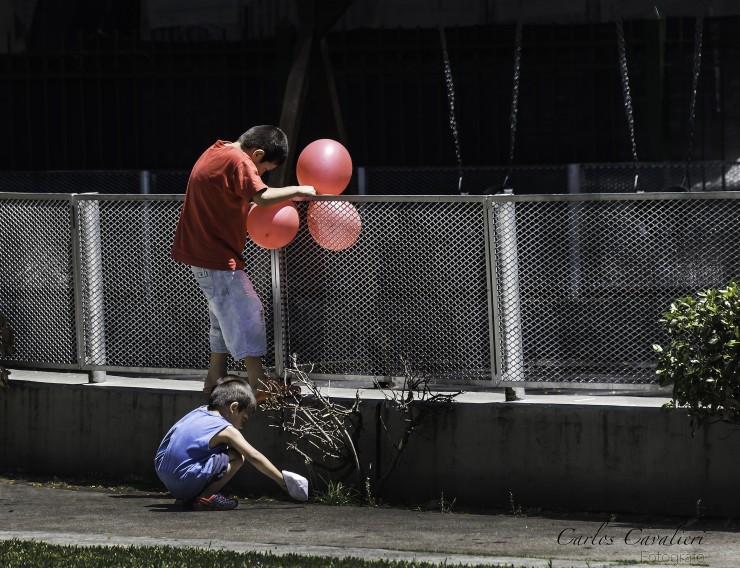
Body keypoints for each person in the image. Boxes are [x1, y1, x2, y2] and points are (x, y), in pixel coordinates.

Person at [171, 125, 316, 401]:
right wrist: (299, 190)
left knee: (223, 318)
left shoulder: (217, 150)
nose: (262, 176)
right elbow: (260, 196)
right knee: (246, 312)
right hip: (215, 257)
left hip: (201, 253)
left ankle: (213, 378)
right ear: (257, 153)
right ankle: (259, 384)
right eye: (265, 170)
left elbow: (227, 197)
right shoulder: (240, 160)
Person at [154, 376, 290, 510]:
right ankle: (205, 498)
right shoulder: (227, 430)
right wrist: (283, 481)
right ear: (234, 407)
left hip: (164, 474)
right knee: (237, 456)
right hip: (185, 480)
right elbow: (253, 456)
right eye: (244, 419)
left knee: (215, 451)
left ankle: (185, 498)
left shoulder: (199, 411)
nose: (242, 426)